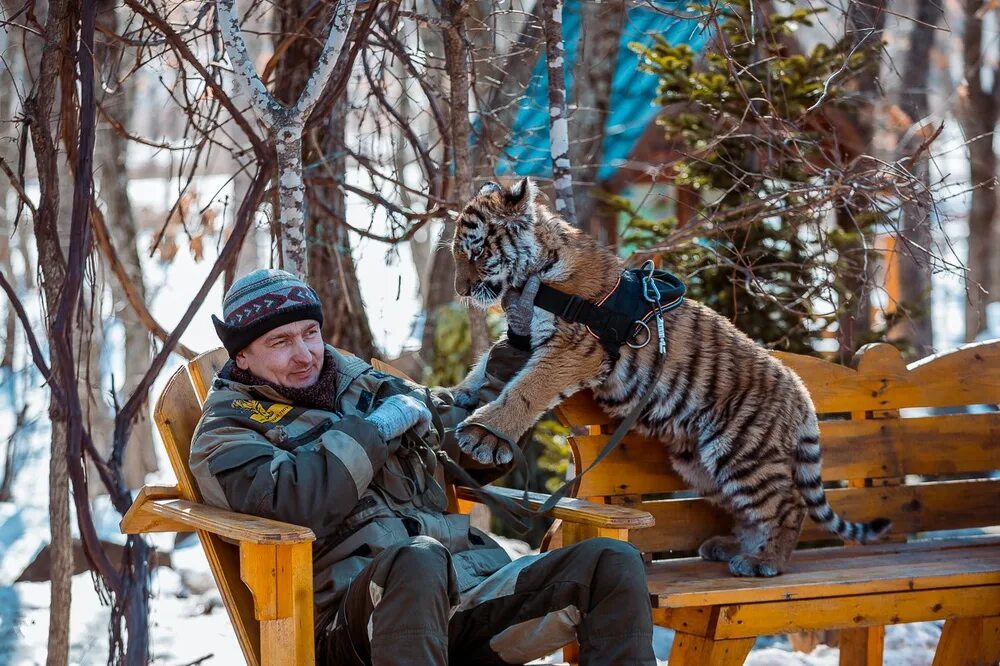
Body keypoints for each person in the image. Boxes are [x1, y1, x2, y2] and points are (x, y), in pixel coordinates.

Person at [189, 269, 655, 665]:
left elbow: (465, 440)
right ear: (242, 355)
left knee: (611, 563)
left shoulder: (367, 386)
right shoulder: (226, 433)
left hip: (465, 591)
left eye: (310, 333)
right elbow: (295, 505)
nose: (305, 353)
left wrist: (522, 342)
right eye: (281, 342)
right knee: (418, 558)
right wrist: (372, 432)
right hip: (354, 620)